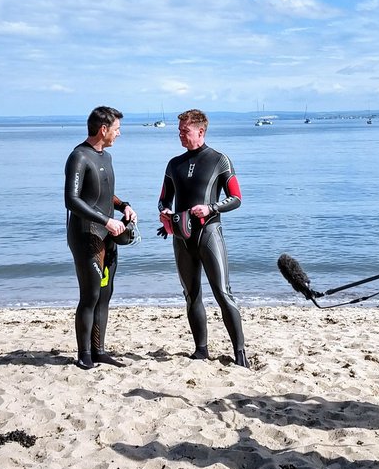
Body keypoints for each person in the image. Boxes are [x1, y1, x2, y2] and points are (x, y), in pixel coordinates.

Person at [157, 109, 248, 367]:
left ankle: (240, 353)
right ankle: (200, 350)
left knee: (222, 293)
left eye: (184, 131)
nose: (180, 136)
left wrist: (211, 208)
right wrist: (164, 212)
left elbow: (237, 198)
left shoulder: (219, 160)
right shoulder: (174, 164)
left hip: (209, 234)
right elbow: (164, 198)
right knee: (191, 294)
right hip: (182, 236)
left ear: (200, 131)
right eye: (179, 131)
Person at [64, 106, 137, 370]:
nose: (119, 134)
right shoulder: (79, 157)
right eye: (116, 129)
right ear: (103, 129)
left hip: (108, 236)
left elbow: (105, 195)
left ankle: (99, 350)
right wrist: (106, 220)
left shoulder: (106, 157)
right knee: (90, 294)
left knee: (105, 294)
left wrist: (123, 206)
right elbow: (72, 200)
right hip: (87, 236)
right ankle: (84, 353)